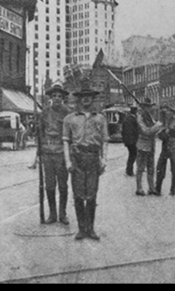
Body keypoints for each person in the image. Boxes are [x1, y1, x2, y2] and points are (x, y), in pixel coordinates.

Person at [63, 83, 109, 240]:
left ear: (93, 98)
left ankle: (91, 228)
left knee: (91, 194)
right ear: (79, 99)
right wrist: (68, 161)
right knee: (77, 195)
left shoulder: (100, 118)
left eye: (89, 96)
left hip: (93, 157)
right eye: (83, 97)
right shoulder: (69, 119)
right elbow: (66, 141)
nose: (86, 99)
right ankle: (81, 229)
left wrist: (104, 159)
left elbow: (105, 140)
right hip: (77, 157)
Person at [39, 83, 71, 225]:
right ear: (50, 98)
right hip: (47, 153)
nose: (57, 98)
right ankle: (52, 214)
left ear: (63, 98)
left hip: (62, 154)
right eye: (54, 96)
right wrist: (38, 152)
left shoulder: (67, 113)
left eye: (59, 96)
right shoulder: (44, 112)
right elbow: (40, 133)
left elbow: (71, 134)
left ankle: (62, 214)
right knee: (50, 185)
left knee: (63, 185)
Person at [134, 98, 164, 196]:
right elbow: (146, 131)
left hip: (151, 145)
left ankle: (151, 188)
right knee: (140, 168)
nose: (149, 108)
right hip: (142, 145)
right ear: (144, 107)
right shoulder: (140, 117)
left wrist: (159, 129)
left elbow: (154, 129)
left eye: (150, 106)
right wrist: (157, 126)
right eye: (147, 106)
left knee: (151, 167)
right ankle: (139, 188)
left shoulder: (150, 117)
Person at [155, 105, 175, 196]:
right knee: (160, 167)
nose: (167, 112)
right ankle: (158, 188)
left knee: (173, 169)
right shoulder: (165, 121)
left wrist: (165, 131)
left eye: (169, 111)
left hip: (173, 147)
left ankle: (172, 189)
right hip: (166, 147)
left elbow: (172, 131)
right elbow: (161, 135)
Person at [122, 105, 139, 176]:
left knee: (131, 154)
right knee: (133, 155)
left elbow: (123, 131)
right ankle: (129, 170)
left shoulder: (126, 119)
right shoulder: (133, 119)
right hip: (132, 141)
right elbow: (136, 130)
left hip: (128, 140)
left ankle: (128, 169)